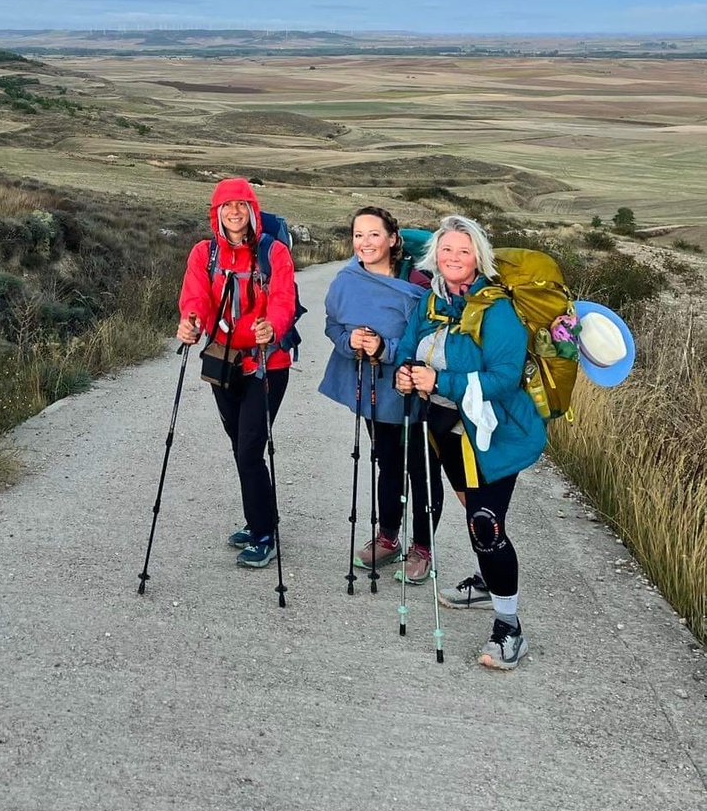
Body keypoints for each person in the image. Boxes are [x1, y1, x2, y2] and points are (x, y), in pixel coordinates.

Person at [394, 214, 547, 671]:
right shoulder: (431, 300)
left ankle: (509, 628)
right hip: (446, 431)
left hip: (494, 435)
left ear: (478, 256)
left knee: (485, 523)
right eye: (446, 250)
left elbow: (502, 379)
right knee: (470, 503)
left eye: (463, 250)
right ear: (434, 256)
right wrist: (405, 373)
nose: (453, 258)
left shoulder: (496, 309)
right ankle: (486, 581)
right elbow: (408, 347)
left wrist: (440, 378)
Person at [176, 178, 296, 570]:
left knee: (248, 449)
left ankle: (264, 534)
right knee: (241, 448)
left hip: (266, 364)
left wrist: (272, 328)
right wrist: (190, 321)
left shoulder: (273, 252)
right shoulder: (204, 253)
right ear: (216, 213)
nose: (234, 212)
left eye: (241, 205)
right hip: (222, 362)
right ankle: (260, 518)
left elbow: (283, 299)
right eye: (226, 206)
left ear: (252, 210)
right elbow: (196, 296)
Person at [319, 207, 430, 578]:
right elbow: (333, 325)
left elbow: (431, 338)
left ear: (393, 239)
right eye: (358, 235)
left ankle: (423, 549)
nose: (365, 242)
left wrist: (387, 349)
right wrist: (350, 341)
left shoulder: (418, 282)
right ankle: (388, 538)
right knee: (387, 460)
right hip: (374, 389)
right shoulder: (346, 281)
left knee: (421, 467)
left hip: (418, 387)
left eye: (374, 234)